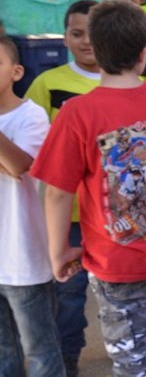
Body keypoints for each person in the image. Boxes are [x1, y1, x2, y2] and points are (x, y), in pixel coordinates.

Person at [32, 0, 146, 377]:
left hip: (111, 258)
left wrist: (58, 252)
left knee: (130, 356)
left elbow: (56, 192)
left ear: (96, 51)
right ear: (144, 54)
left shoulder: (77, 113)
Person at [24, 0, 100, 377]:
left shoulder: (124, 83)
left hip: (113, 220)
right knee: (69, 300)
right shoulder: (47, 84)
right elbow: (33, 155)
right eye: (76, 33)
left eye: (92, 32)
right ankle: (68, 361)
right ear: (65, 37)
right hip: (69, 217)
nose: (86, 41)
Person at [0, 36, 64, 377]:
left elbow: (18, 165)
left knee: (40, 350)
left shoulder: (32, 116)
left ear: (16, 71)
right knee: (3, 354)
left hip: (21, 257)